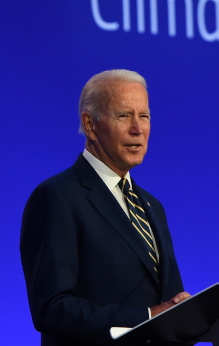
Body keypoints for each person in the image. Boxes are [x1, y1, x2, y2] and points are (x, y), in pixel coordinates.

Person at [20, 69, 190, 345]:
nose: (138, 128)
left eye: (144, 116)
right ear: (90, 125)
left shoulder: (151, 206)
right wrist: (147, 316)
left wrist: (188, 316)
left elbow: (167, 302)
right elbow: (51, 308)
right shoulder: (56, 197)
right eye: (124, 115)